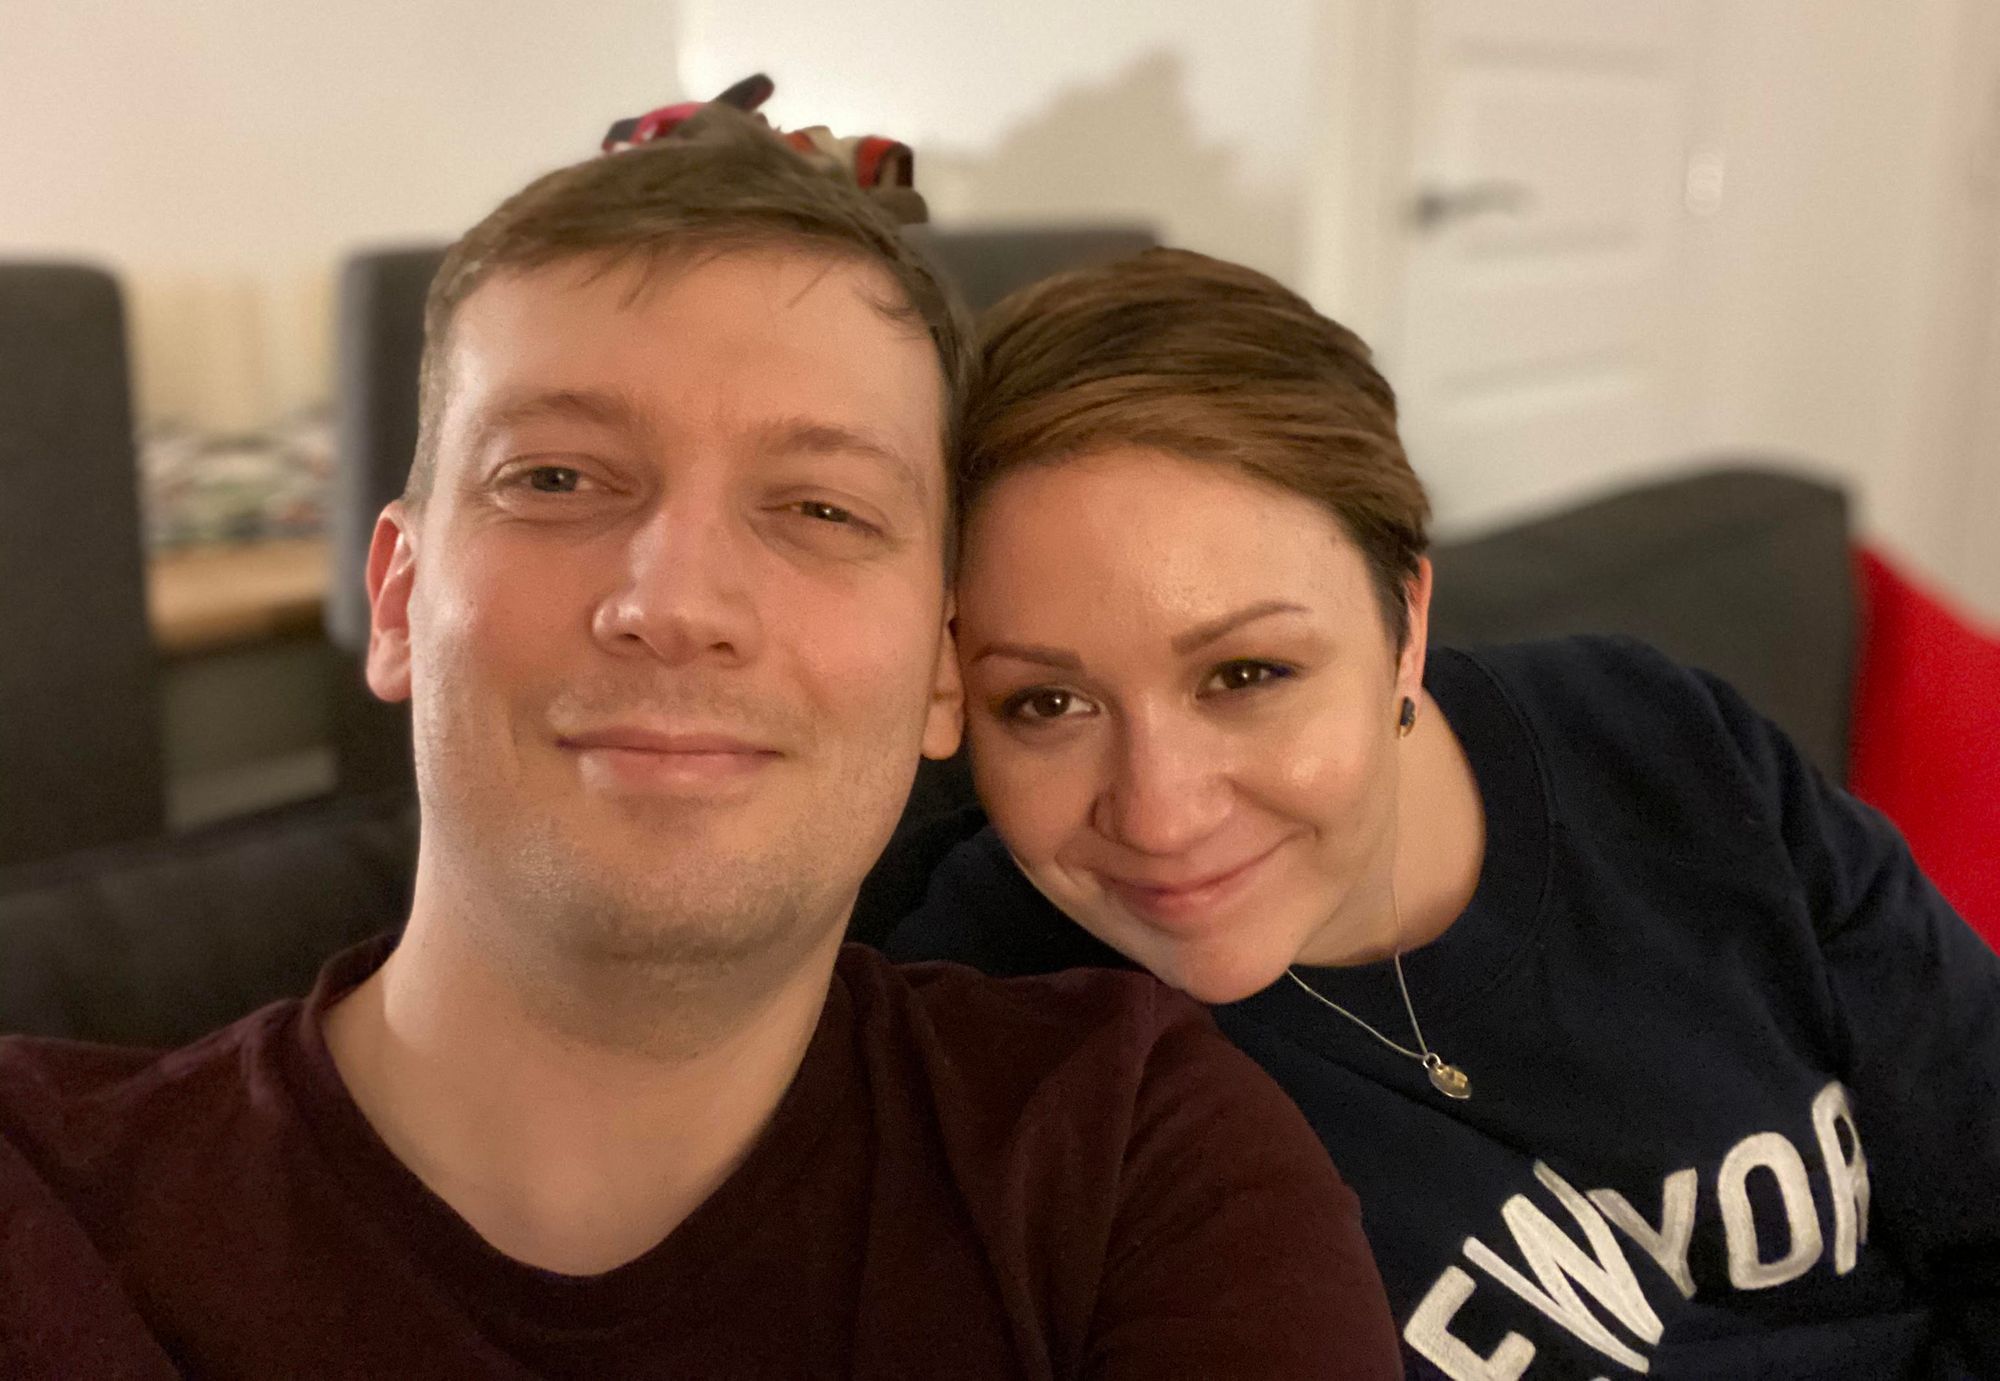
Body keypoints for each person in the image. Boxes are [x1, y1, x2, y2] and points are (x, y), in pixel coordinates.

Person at [0, 104, 1401, 1377]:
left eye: (822, 508)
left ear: (939, 673)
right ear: (399, 599)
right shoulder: (47, 1204)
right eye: (553, 477)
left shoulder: (1130, 1158)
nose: (673, 605)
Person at [882, 247, 2000, 1378]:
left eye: (1246, 674)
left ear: (1404, 623)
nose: (1160, 813)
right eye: (1046, 702)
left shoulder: (1659, 742)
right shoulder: (988, 1033)